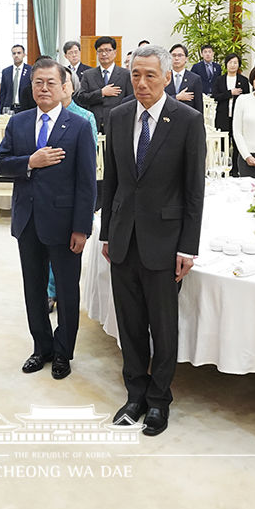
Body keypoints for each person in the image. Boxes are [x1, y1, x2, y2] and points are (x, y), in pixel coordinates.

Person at [100, 45, 206, 437]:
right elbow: (111, 181)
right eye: (136, 75)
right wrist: (107, 232)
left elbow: (194, 189)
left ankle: (160, 400)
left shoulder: (186, 120)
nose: (141, 83)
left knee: (162, 326)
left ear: (166, 77)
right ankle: (135, 394)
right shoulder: (118, 115)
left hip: (166, 240)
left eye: (149, 75)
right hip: (124, 238)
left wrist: (187, 246)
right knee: (129, 324)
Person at [0, 57, 97, 381]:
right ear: (32, 85)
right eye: (38, 82)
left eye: (51, 82)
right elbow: (0, 163)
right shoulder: (19, 123)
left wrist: (82, 227)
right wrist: (31, 161)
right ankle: (42, 347)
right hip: (28, 221)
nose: (44, 88)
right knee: (34, 289)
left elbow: (86, 182)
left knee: (66, 292)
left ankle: (64, 353)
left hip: (65, 224)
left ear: (64, 86)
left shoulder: (79, 126)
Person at [76, 36, 132, 134]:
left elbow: (131, 99)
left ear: (115, 53)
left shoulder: (126, 75)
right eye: (100, 51)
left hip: (118, 124)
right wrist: (101, 93)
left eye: (108, 50)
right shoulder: (88, 74)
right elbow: (81, 98)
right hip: (95, 125)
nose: (104, 54)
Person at [213, 54, 250, 176]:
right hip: (222, 116)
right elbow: (215, 96)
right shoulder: (219, 79)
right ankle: (223, 169)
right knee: (223, 144)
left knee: (236, 144)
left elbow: (246, 98)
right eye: (230, 62)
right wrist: (230, 93)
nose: (233, 65)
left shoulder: (243, 80)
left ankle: (235, 170)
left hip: (237, 117)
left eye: (235, 62)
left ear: (239, 65)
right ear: (226, 64)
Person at [164, 44, 203, 114]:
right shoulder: (164, 77)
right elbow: (160, 99)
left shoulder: (195, 79)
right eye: (173, 55)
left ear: (186, 59)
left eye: (180, 55)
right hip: (167, 116)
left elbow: (199, 105)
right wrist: (176, 97)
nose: (176, 58)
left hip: (187, 118)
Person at [0, 44, 32, 113]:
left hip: (26, 108)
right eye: (14, 53)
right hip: (9, 109)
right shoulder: (6, 72)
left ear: (24, 55)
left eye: (19, 53)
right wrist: (0, 110)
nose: (16, 55)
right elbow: (3, 93)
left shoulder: (30, 70)